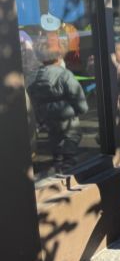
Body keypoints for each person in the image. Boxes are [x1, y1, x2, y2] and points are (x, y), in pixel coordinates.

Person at [27, 40, 88, 168]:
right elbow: (76, 94)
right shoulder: (64, 74)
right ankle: (68, 160)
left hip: (46, 115)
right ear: (59, 57)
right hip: (66, 114)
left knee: (54, 136)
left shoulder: (34, 76)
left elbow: (31, 93)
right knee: (72, 135)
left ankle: (58, 158)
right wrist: (81, 109)